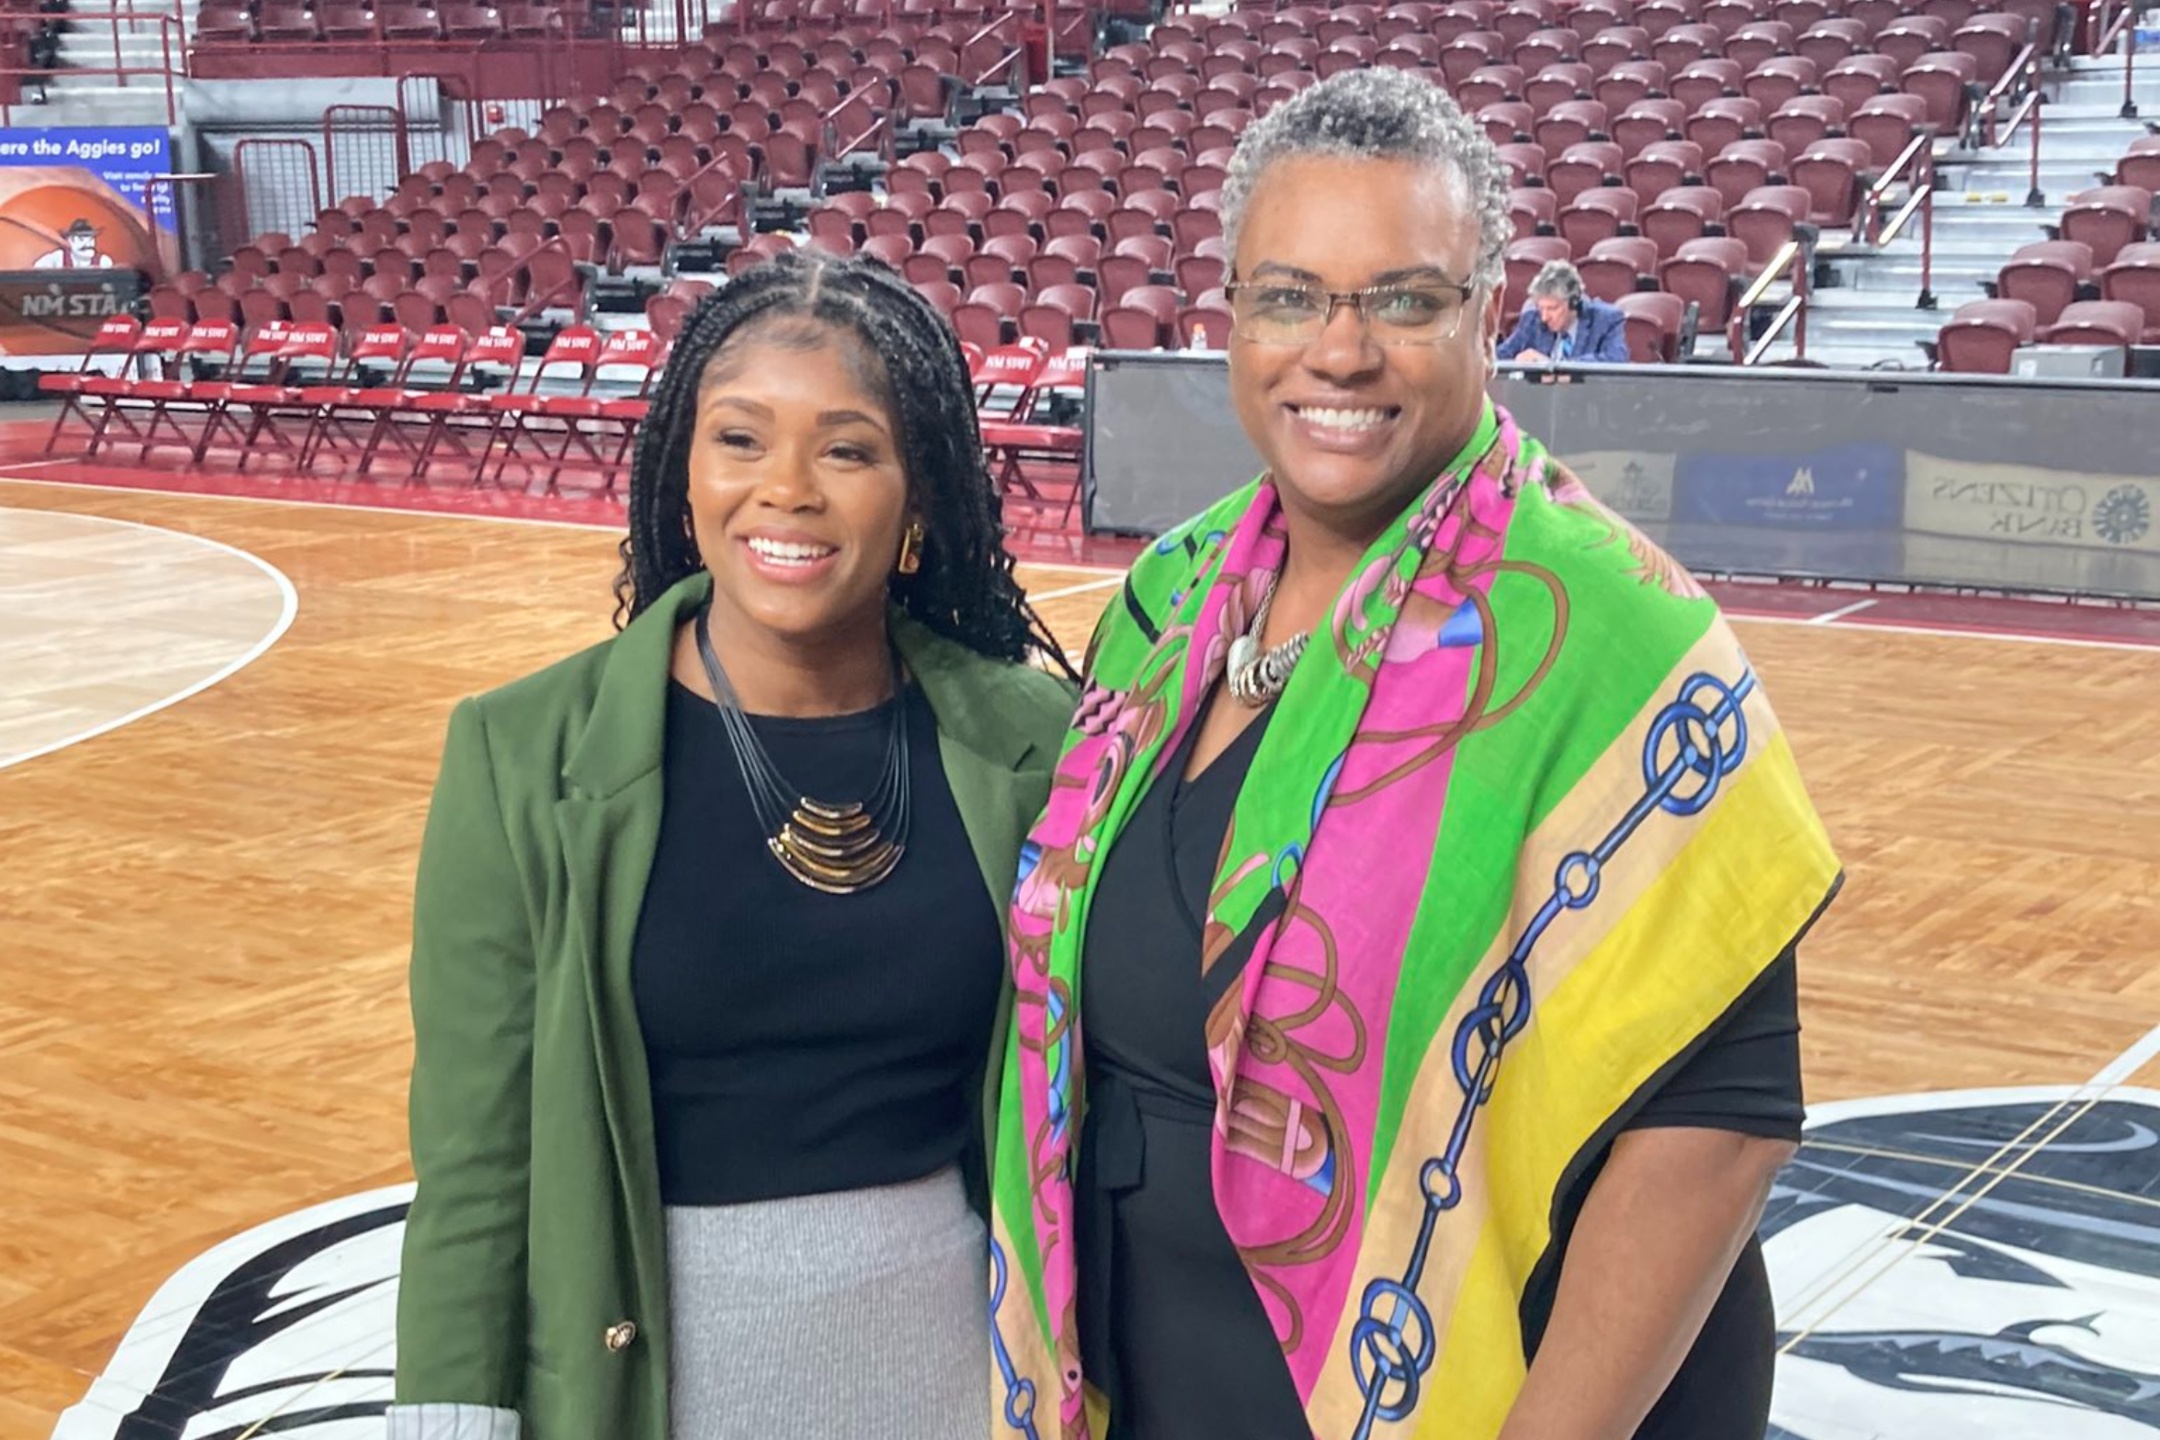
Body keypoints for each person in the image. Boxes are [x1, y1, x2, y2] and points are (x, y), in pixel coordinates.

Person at [989, 68, 1841, 1440]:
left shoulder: (1613, 637)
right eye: (1291, 296)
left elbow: (1718, 1129)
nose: (1341, 349)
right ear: (1232, 321)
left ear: (1487, 316)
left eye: (1404, 298)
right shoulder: (1165, 602)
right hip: (1156, 1367)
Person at [390, 250, 1077, 1440]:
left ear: (921, 496)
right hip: (647, 1386)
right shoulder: (520, 753)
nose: (789, 489)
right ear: (683, 472)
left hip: (957, 1375)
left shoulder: (1031, 739)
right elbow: (476, 1164)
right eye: (741, 439)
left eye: (849, 449)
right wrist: (450, 1415)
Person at [1496, 258, 1631, 364]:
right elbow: (1500, 356)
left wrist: (1555, 366)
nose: (1544, 317)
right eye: (1540, 308)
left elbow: (1616, 360)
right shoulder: (1532, 319)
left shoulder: (1606, 320)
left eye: (1552, 308)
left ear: (1573, 302)